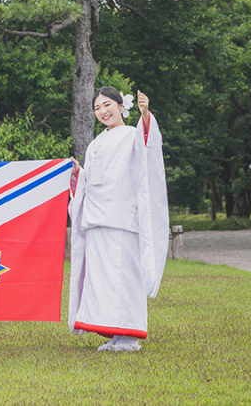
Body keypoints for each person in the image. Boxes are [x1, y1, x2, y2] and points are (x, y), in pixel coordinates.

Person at [67, 87, 169, 351]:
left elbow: (148, 148)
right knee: (104, 281)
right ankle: (115, 333)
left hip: (122, 217)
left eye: (107, 105)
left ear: (121, 106)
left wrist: (145, 115)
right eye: (97, 108)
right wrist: (79, 173)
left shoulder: (132, 135)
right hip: (97, 219)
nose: (103, 111)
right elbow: (93, 179)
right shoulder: (95, 143)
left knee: (124, 278)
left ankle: (130, 337)